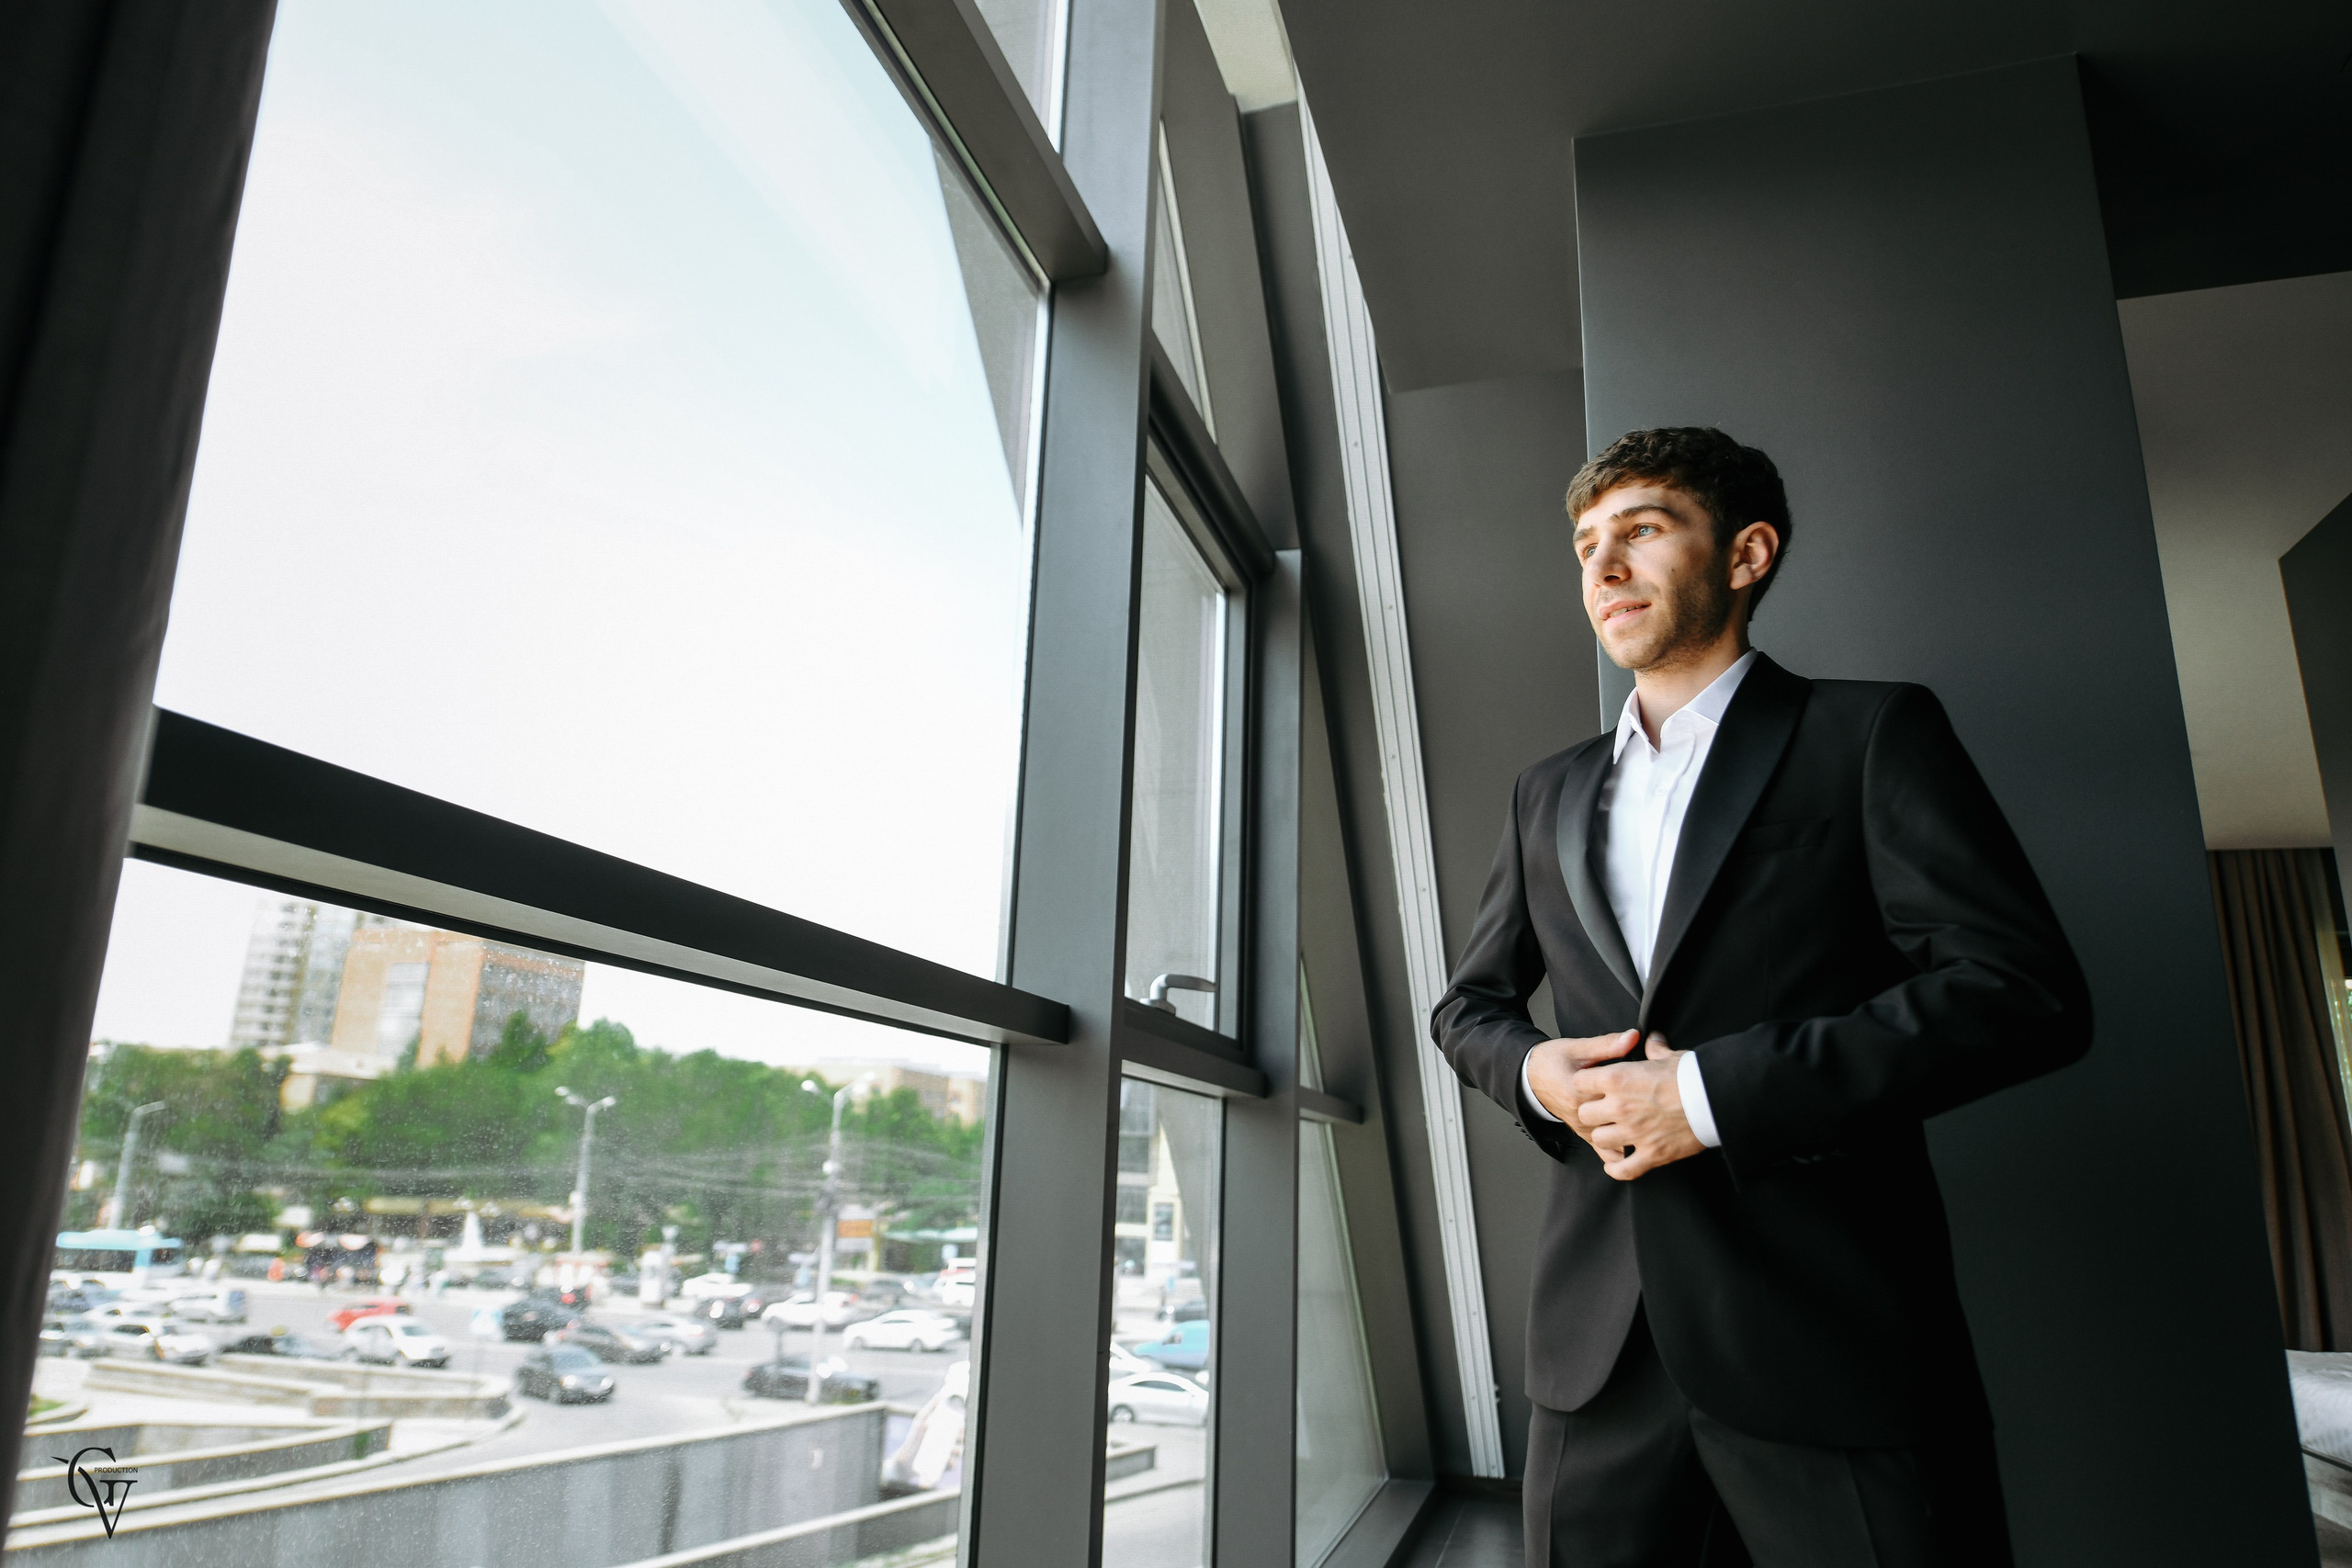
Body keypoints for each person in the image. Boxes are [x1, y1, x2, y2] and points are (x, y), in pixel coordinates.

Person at [1431, 427, 2090, 1567]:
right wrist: (1537, 1074)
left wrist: (1709, 1094)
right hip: (1597, 1353)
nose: (1603, 566)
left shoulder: (1870, 732)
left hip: (1827, 1333)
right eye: (1586, 544)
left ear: (1745, 555)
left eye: (1641, 530)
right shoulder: (1546, 790)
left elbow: (2020, 991)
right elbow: (1468, 1007)